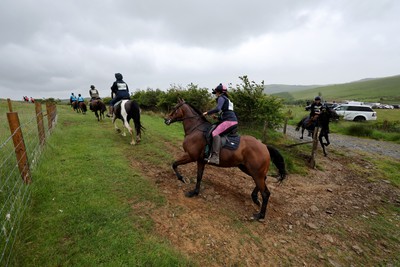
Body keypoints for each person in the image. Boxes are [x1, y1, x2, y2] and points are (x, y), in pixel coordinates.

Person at [202, 83, 238, 165]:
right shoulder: (227, 99)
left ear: (219, 92)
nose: (216, 95)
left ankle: (215, 157)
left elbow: (218, 109)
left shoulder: (221, 97)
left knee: (215, 133)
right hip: (231, 120)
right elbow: (227, 113)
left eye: (216, 93)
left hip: (229, 121)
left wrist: (207, 113)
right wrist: (218, 118)